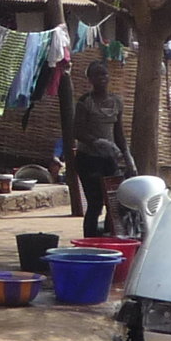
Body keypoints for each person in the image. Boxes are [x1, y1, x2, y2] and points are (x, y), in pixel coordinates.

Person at [70, 61, 130, 238]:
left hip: (109, 158)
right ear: (90, 79)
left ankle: (108, 238)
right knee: (95, 203)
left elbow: (119, 133)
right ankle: (89, 240)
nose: (102, 78)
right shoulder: (85, 102)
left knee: (114, 203)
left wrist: (127, 155)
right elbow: (77, 131)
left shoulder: (116, 102)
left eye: (104, 74)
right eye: (97, 75)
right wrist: (96, 142)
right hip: (88, 159)